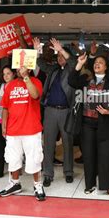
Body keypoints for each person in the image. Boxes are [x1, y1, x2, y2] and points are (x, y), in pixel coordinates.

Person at [68, 53, 109, 199]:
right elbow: (71, 81)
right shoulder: (86, 80)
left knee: (106, 156)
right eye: (95, 62)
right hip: (87, 123)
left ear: (106, 67)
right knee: (89, 155)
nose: (97, 64)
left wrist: (108, 112)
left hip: (105, 124)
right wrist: (79, 64)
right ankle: (89, 184)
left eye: (100, 62)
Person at [0, 66, 46, 201]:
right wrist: (3, 125)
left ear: (29, 70)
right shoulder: (10, 85)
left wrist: (26, 78)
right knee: (12, 158)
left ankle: (38, 185)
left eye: (23, 68)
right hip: (13, 130)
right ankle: (14, 183)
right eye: (18, 68)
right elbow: (5, 107)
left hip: (31, 129)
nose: (20, 70)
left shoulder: (35, 81)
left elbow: (35, 95)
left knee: (34, 158)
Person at [36, 37, 76, 187]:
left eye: (61, 55)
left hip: (66, 112)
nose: (59, 58)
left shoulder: (72, 69)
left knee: (67, 142)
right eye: (57, 55)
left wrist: (61, 50)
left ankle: (68, 172)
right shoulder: (52, 69)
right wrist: (37, 50)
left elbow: (72, 61)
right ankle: (48, 174)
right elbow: (40, 63)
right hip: (50, 112)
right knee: (48, 144)